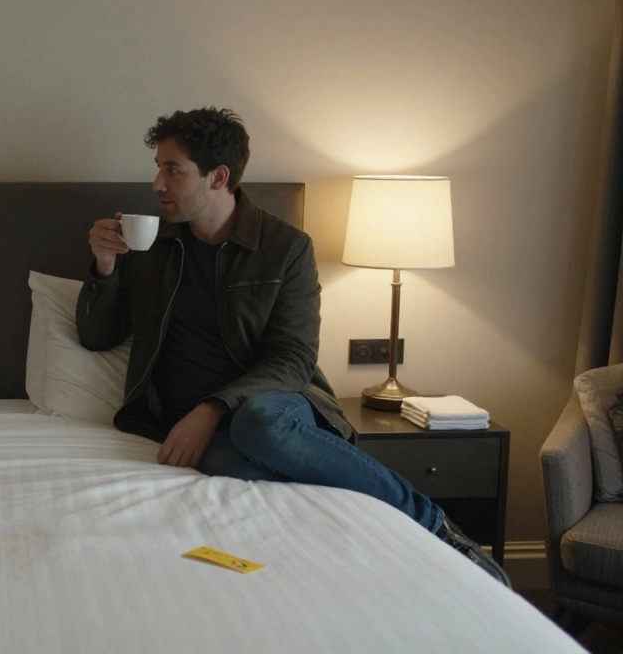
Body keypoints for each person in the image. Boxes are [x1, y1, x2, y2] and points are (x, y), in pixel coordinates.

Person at [76, 107, 509, 587]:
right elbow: (96, 338)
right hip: (191, 427)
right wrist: (102, 268)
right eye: (158, 167)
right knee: (228, 463)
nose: (157, 183)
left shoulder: (286, 248)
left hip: (271, 406)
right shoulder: (151, 246)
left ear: (218, 177)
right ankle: (359, 542)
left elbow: (293, 358)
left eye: (172, 169)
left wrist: (212, 409)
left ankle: (434, 527)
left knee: (259, 426)